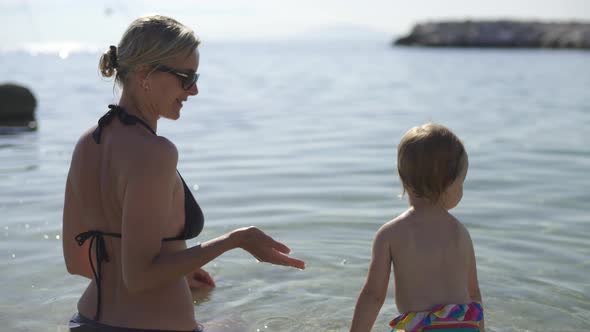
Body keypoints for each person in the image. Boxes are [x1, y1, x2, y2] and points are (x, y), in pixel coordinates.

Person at [62, 15, 305, 332]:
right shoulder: (154, 152)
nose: (194, 90)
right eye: (185, 77)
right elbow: (139, 278)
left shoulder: (87, 143)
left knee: (231, 322)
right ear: (145, 73)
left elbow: (77, 263)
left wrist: (177, 270)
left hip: (88, 321)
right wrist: (235, 240)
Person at [350, 123, 484, 332]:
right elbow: (473, 293)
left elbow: (373, 295)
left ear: (404, 180)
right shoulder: (461, 232)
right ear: (448, 186)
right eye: (461, 183)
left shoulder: (390, 234)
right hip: (464, 324)